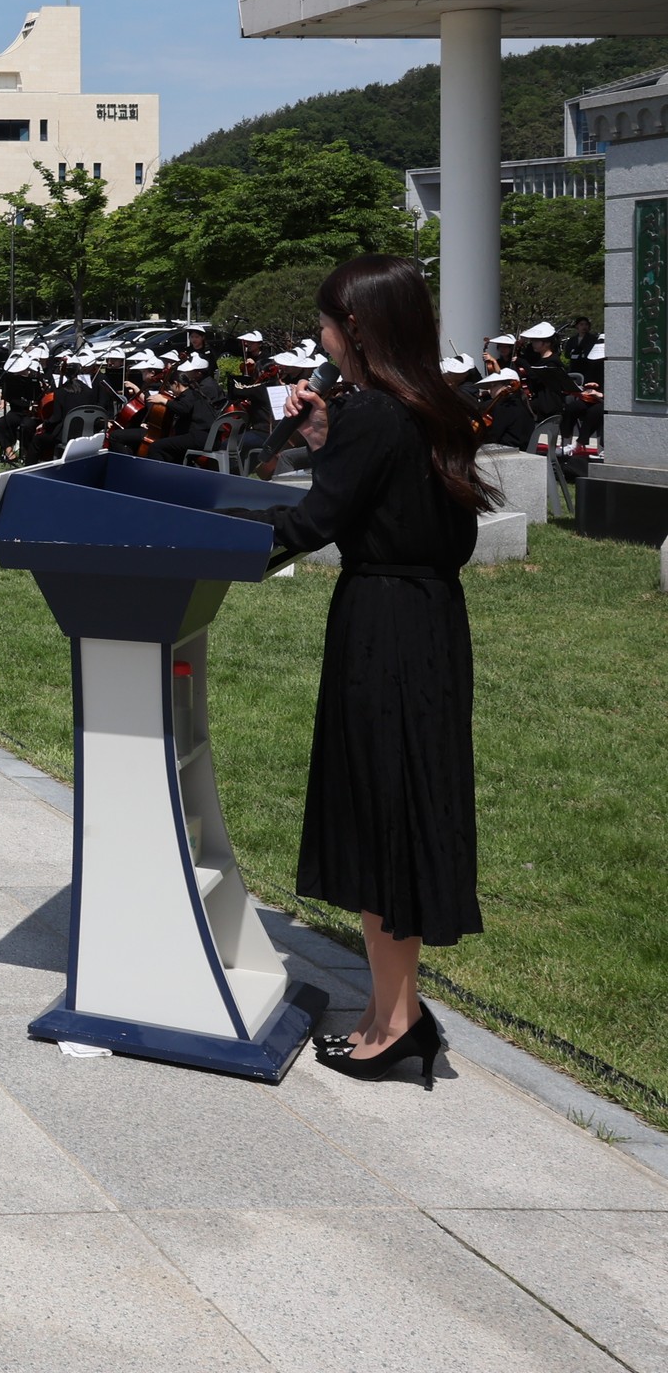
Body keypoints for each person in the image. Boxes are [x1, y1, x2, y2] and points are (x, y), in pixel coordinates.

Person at [265, 255, 492, 1089]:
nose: (320, 337)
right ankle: (391, 1009)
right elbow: (393, 501)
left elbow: (315, 520)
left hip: (382, 628)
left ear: (356, 328)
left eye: (326, 322)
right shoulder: (432, 408)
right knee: (400, 803)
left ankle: (395, 1024)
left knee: (381, 811)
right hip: (429, 621)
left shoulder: (373, 414)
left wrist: (209, 550)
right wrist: (330, 439)